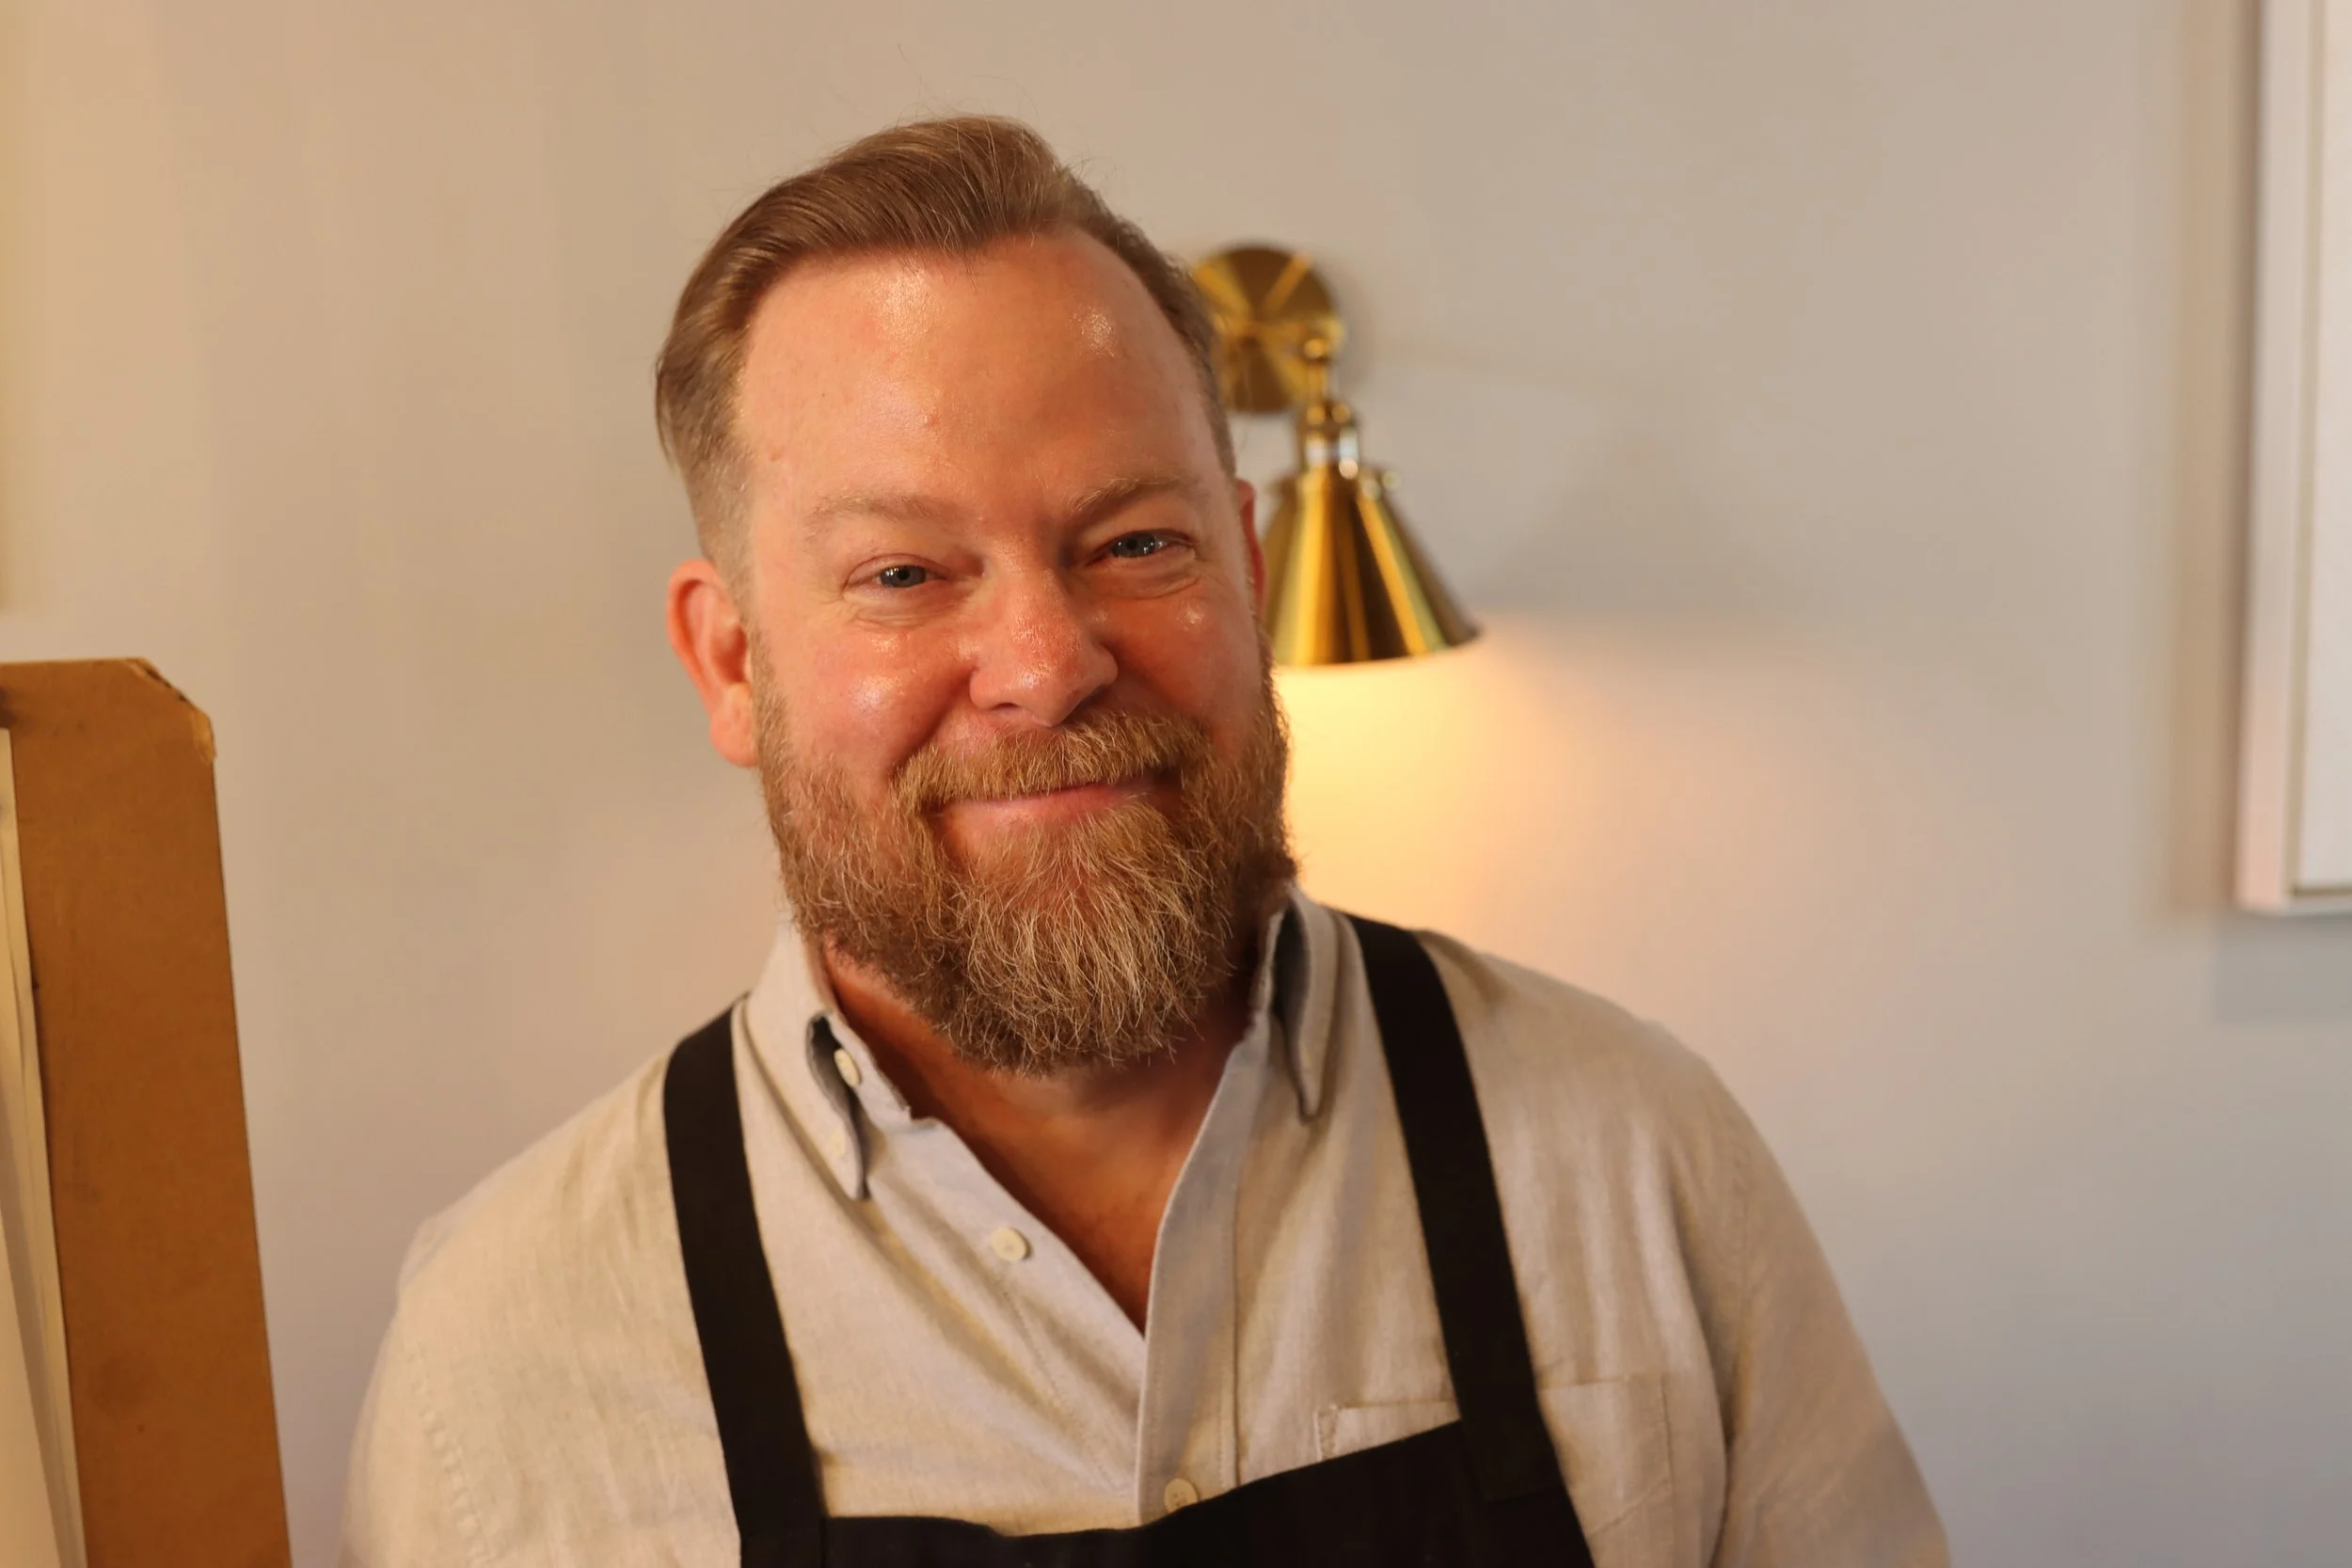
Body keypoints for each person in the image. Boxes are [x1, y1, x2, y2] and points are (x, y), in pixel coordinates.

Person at [339, 116, 1947, 1568]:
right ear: (733, 662)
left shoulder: (1639, 1159)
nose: (1048, 665)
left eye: (1135, 541)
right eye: (904, 573)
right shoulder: (504, 1359)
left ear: (1245, 568)